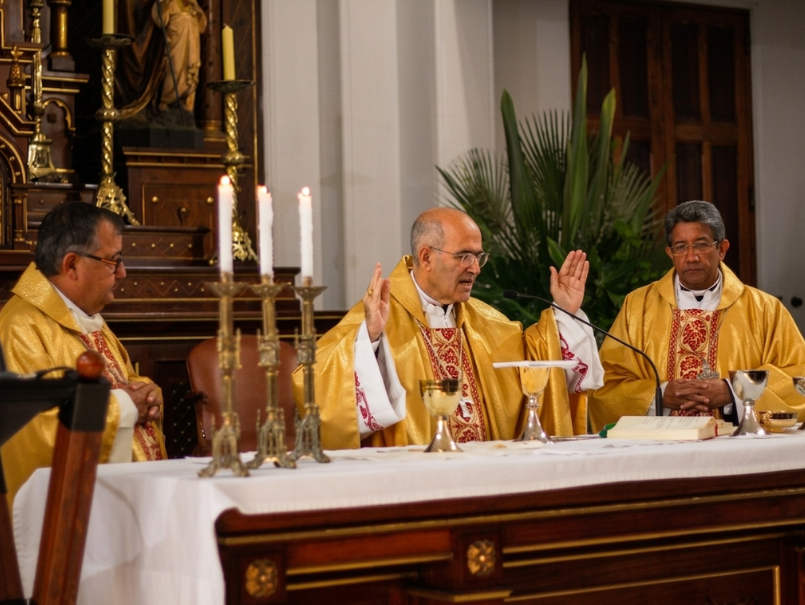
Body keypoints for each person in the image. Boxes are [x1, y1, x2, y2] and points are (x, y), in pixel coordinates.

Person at [293, 207, 603, 449]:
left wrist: (566, 311)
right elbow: (315, 385)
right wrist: (370, 340)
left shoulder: (488, 323)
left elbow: (537, 363)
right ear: (426, 257)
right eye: (464, 256)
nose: (476, 268)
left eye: (478, 256)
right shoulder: (376, 316)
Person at [0, 202, 166, 505]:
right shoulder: (20, 329)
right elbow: (34, 433)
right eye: (113, 261)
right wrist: (128, 406)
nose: (123, 273)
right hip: (64, 521)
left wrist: (148, 393)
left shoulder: (85, 319)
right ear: (72, 265)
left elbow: (123, 381)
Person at [589, 200, 805, 431]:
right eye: (681, 247)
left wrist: (732, 392)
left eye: (701, 244)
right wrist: (659, 395)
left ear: (722, 249)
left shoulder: (764, 309)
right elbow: (607, 384)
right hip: (660, 447)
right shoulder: (639, 307)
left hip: (735, 448)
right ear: (670, 253)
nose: (691, 257)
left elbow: (798, 377)